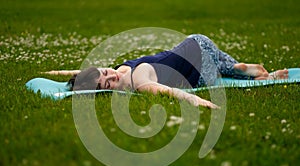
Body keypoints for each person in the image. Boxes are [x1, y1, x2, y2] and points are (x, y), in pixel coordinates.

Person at [44, 34, 289, 109]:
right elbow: (91, 72)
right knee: (225, 66)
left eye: (108, 72)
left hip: (198, 60)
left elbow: (171, 92)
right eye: (108, 82)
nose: (113, 75)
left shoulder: (137, 81)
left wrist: (200, 101)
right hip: (195, 42)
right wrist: (61, 74)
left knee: (216, 74)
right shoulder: (128, 72)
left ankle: (241, 71)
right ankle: (246, 70)